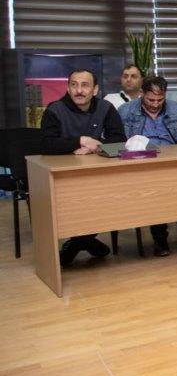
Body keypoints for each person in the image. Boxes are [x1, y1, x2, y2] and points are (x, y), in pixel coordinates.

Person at [40, 69, 127, 267]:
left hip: (98, 174)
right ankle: (85, 242)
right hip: (64, 177)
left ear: (95, 90)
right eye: (74, 85)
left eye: (85, 85)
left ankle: (78, 243)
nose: (79, 90)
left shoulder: (106, 108)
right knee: (78, 202)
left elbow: (120, 141)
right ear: (68, 88)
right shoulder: (54, 109)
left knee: (111, 198)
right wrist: (81, 140)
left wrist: (94, 147)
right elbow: (46, 144)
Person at [120, 75, 177, 255]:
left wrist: (176, 157)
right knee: (155, 189)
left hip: (173, 161)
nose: (155, 104)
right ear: (141, 93)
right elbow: (120, 142)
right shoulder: (125, 111)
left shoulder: (176, 109)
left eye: (160, 100)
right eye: (150, 100)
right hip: (142, 165)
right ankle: (160, 239)